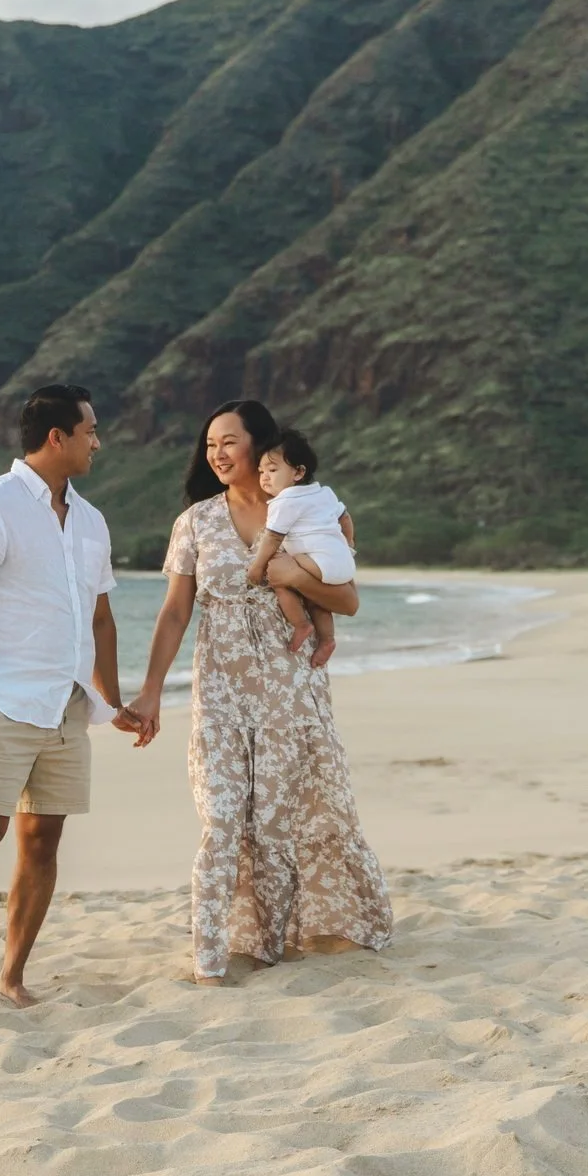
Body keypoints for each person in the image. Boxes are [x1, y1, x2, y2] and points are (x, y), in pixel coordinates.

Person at [128, 400, 392, 985]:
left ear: (262, 447)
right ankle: (210, 959)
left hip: (291, 690)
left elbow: (346, 600)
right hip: (219, 691)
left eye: (229, 442)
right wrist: (149, 693)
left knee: (283, 818)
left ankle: (282, 939)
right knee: (221, 818)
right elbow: (175, 613)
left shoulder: (303, 510)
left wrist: (295, 576)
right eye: (209, 445)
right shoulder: (195, 521)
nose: (217, 455)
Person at [0, 383, 140, 1038]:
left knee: (43, 842)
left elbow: (100, 619)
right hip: (2, 701)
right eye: (91, 431)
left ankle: (12, 975)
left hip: (66, 706)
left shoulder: (91, 519)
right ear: (58, 437)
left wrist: (111, 698)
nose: (97, 442)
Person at [244, 426, 355, 667]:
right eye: (261, 470)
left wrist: (257, 566)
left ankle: (301, 624)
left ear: (298, 472)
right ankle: (327, 640)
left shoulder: (284, 501)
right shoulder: (323, 492)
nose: (264, 477)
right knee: (316, 599)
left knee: (280, 579)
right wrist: (349, 544)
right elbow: (344, 517)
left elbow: (272, 538)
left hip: (318, 563)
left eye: (272, 470)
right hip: (343, 563)